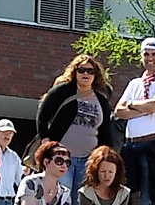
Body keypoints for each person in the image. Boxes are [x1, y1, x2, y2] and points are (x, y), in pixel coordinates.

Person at [38, 54, 121, 195]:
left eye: (90, 71)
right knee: (61, 198)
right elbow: (42, 116)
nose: (86, 74)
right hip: (61, 158)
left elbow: (105, 132)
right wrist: (46, 142)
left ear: (96, 75)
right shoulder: (62, 91)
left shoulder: (101, 101)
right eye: (82, 70)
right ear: (74, 71)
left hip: (88, 160)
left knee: (79, 202)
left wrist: (107, 156)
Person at [113, 38, 155, 205]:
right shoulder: (134, 84)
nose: (150, 58)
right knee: (124, 196)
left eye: (154, 54)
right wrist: (144, 108)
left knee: (147, 200)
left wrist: (132, 105)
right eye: (146, 54)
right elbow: (119, 111)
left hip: (152, 145)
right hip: (130, 146)